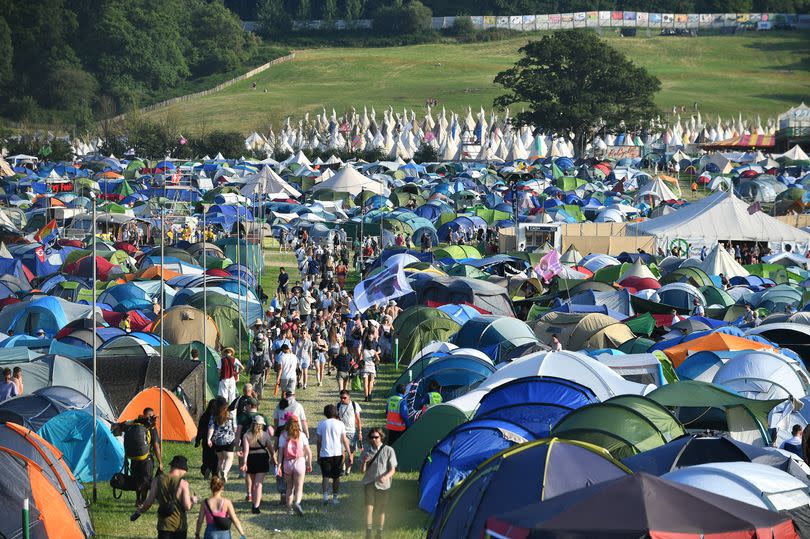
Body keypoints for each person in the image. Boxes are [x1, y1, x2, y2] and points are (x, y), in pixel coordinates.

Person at [132, 455, 198, 539]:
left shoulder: (157, 480)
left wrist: (139, 511)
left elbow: (148, 503)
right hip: (179, 527)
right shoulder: (183, 483)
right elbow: (187, 506)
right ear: (181, 469)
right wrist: (193, 500)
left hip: (164, 526)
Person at [113, 407, 163, 505]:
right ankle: (142, 501)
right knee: (146, 481)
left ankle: (137, 499)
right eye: (152, 415)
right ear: (149, 416)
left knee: (137, 480)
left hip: (134, 458)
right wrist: (160, 462)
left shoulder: (133, 423)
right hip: (146, 459)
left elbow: (117, 429)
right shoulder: (151, 428)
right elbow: (156, 447)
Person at [361, 428, 397, 539]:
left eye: (376, 437)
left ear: (381, 437)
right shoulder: (366, 451)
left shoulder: (388, 450)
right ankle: (368, 533)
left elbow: (393, 469)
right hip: (369, 483)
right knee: (369, 508)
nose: (374, 439)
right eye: (372, 437)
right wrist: (364, 462)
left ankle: (379, 533)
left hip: (383, 485)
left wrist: (386, 477)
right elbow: (362, 471)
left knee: (381, 510)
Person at [316, 404, 352, 505]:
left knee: (325, 476)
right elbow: (344, 440)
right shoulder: (340, 424)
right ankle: (335, 498)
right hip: (337, 453)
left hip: (325, 454)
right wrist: (349, 453)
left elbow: (319, 441)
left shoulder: (321, 424)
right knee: (336, 477)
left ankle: (325, 496)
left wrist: (318, 455)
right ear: (335, 412)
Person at [277, 414, 312, 516]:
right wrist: (309, 463)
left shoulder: (283, 435)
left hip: (287, 463)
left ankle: (289, 509)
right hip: (299, 462)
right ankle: (297, 503)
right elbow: (309, 452)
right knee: (299, 487)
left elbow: (280, 453)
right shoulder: (301, 435)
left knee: (289, 487)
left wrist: (279, 465)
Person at [240, 415, 275, 514]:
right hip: (262, 458)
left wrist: (244, 463)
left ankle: (254, 501)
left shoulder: (246, 435)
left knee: (253, 482)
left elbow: (245, 451)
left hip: (251, 459)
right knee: (258, 484)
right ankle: (256, 506)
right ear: (262, 425)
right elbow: (271, 449)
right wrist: (274, 458)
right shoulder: (265, 435)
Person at [207, 400, 236, 482]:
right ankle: (225, 471)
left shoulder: (213, 416)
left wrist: (209, 439)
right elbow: (234, 428)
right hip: (229, 440)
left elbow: (211, 428)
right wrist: (237, 438)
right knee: (229, 458)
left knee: (220, 459)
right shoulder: (230, 414)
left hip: (218, 440)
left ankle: (220, 473)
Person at [196, 398, 223, 480]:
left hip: (205, 440)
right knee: (215, 458)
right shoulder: (217, 417)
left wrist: (197, 440)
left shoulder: (204, 416)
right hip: (215, 440)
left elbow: (200, 429)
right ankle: (215, 473)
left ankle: (206, 468)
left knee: (206, 456)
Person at [337, 389, 363, 475]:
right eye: (341, 398)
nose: (342, 400)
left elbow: (358, 420)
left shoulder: (354, 405)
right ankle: (343, 467)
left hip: (352, 432)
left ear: (349, 397)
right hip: (342, 433)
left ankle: (348, 469)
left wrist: (359, 432)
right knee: (342, 452)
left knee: (351, 452)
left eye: (344, 398)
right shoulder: (338, 405)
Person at [248, 332, 270, 400]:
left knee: (253, 385)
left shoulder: (253, 347)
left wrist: (247, 370)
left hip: (254, 370)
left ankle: (253, 397)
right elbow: (267, 360)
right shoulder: (264, 347)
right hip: (262, 370)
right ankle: (260, 396)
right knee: (260, 384)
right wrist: (268, 365)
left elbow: (250, 361)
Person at [361, 336, 380, 402]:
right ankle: (370, 394)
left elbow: (361, 358)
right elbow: (378, 359)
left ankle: (366, 397)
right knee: (371, 382)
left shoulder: (364, 351)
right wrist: (375, 362)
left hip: (366, 367)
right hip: (372, 367)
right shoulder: (374, 351)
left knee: (365, 384)